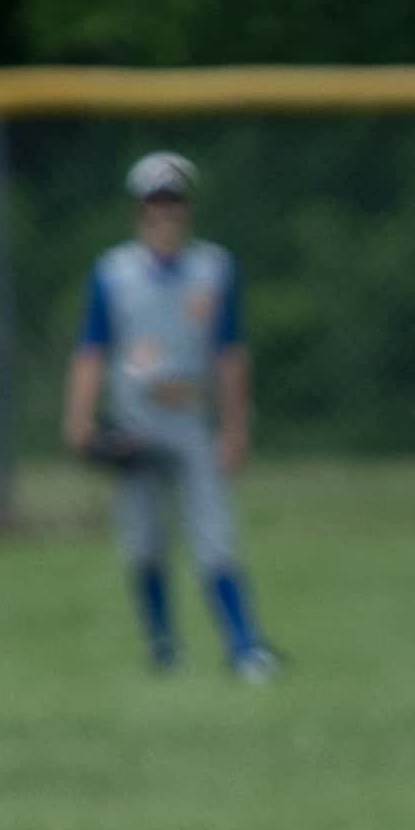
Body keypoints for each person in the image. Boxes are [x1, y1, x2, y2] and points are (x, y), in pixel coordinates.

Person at [61, 152, 281, 679]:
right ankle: (164, 646)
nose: (165, 213)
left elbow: (230, 354)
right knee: (145, 540)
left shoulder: (214, 268)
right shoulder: (115, 272)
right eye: (155, 203)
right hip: (135, 419)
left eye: (173, 202)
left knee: (214, 535)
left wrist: (234, 428)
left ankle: (246, 646)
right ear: (138, 211)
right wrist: (80, 418)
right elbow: (92, 349)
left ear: (188, 209)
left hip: (190, 419)